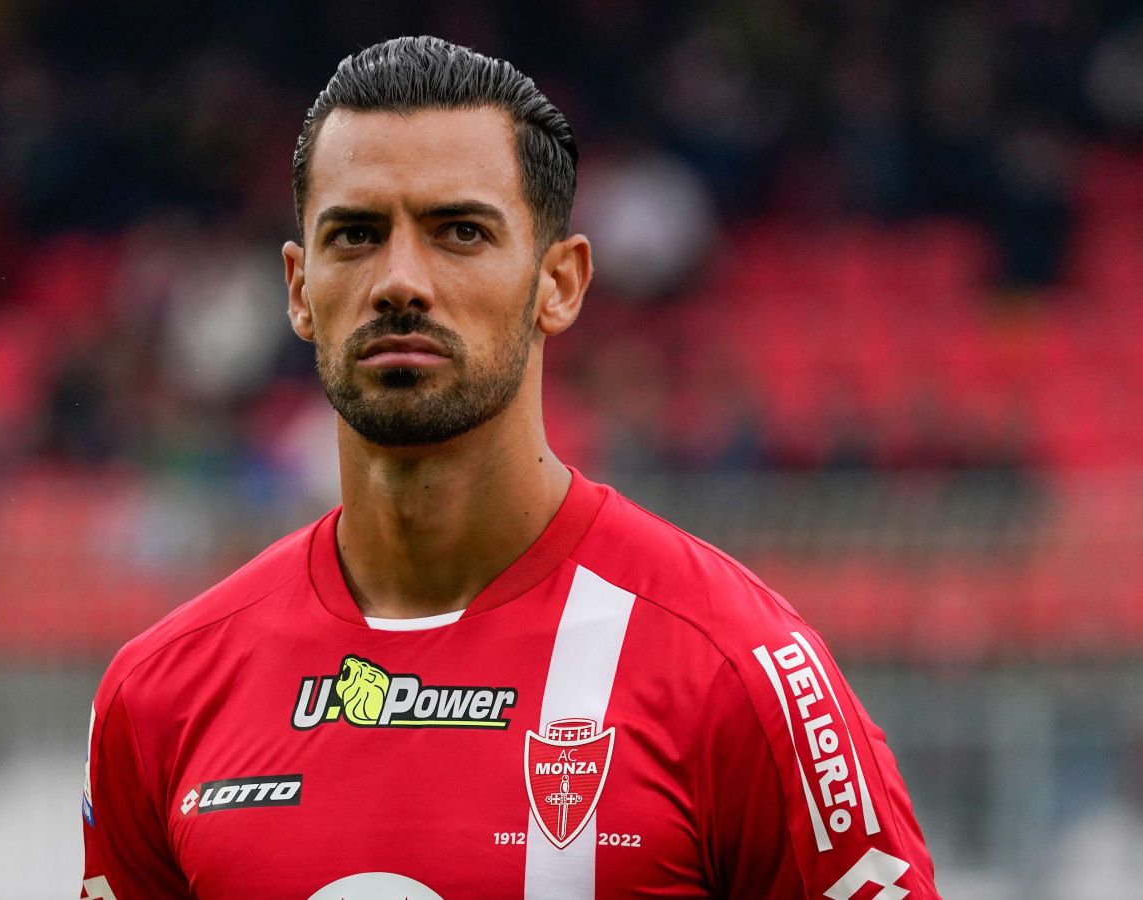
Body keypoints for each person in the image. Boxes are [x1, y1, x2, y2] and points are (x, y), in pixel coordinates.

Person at [81, 36, 940, 899]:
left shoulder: (741, 670)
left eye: (461, 232)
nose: (399, 282)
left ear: (559, 283)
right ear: (300, 290)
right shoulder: (159, 695)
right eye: (356, 235)